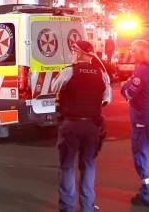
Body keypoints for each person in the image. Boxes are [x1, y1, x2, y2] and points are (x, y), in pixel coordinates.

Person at [52, 40, 111, 212]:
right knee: (88, 166)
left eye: (74, 51)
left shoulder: (69, 71)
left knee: (67, 166)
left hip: (71, 125)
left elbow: (54, 87)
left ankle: (68, 207)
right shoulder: (101, 74)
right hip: (92, 126)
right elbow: (106, 99)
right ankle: (87, 207)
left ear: (79, 53)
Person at [121, 39, 149, 208]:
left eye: (133, 50)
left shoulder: (141, 71)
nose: (131, 53)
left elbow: (129, 93)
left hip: (142, 120)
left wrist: (124, 86)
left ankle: (148, 195)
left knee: (142, 156)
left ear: (140, 52)